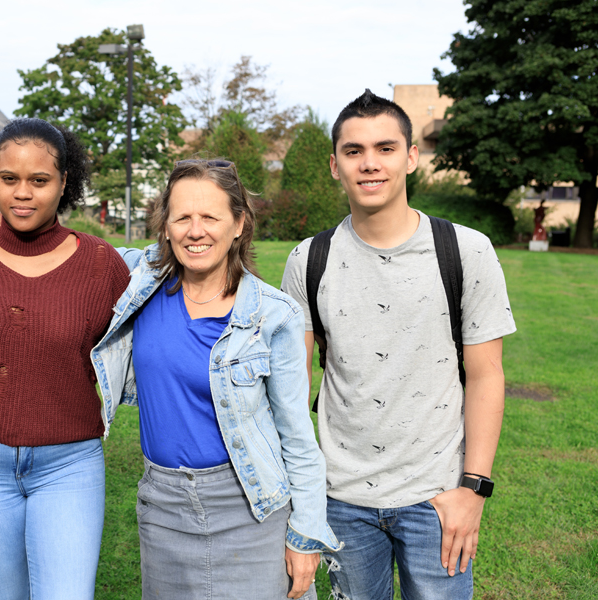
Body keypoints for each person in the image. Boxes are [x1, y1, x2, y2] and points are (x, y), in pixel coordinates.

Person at [280, 90, 516, 600]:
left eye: (386, 148)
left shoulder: (467, 250)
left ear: (411, 157)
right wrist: (302, 498)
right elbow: (292, 389)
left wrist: (472, 489)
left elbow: (487, 375)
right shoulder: (308, 259)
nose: (370, 164)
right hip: (339, 499)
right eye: (353, 151)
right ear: (334, 165)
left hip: (437, 498)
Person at [89, 158, 341, 600]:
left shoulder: (273, 315)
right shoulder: (140, 280)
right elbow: (70, 249)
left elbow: (297, 436)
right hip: (163, 510)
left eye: (210, 216)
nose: (195, 230)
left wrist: (305, 533)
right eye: (182, 216)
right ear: (165, 226)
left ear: (239, 224)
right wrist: (0, 219)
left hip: (249, 507)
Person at [0, 118, 130, 600]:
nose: (22, 194)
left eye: (39, 180)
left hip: (69, 465)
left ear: (64, 185)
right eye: (8, 179)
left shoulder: (101, 265)